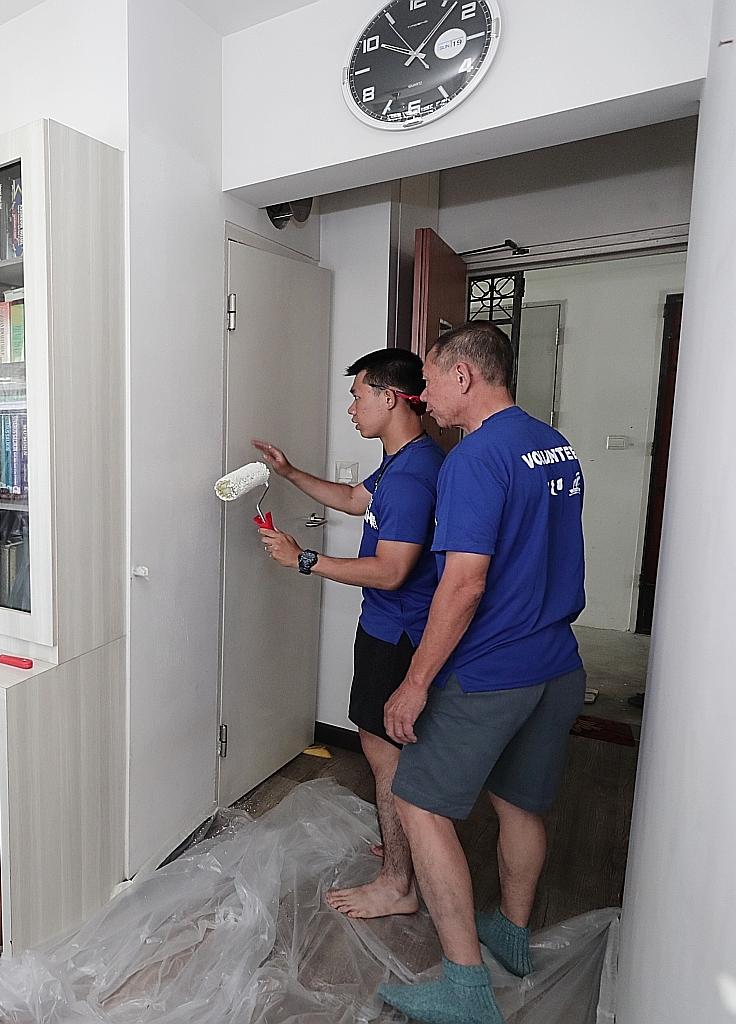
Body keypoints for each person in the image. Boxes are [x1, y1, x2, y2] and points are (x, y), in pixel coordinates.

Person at [376, 323, 586, 1024]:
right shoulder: (552, 445)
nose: (422, 394)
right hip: (556, 662)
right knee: (519, 801)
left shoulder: (472, 459)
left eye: (430, 380)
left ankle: (465, 987)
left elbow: (463, 585)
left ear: (464, 377)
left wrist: (415, 682)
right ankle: (513, 935)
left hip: (492, 668)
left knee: (418, 801)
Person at [252, 347, 444, 920]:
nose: (352, 407)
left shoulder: (413, 478)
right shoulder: (401, 463)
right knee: (381, 746)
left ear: (390, 398)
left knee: (384, 754)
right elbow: (354, 501)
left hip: (399, 632)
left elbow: (392, 570)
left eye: (359, 395)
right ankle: (402, 851)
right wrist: (289, 473)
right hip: (386, 627)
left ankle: (398, 883)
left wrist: (304, 560)